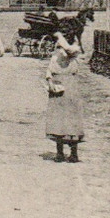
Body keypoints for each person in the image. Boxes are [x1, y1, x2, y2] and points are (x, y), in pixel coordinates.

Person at [45, 34, 85, 162]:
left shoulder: (74, 51)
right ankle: (60, 153)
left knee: (72, 119)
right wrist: (50, 82)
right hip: (58, 87)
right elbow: (49, 71)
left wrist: (62, 39)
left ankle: (74, 153)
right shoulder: (55, 55)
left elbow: (71, 51)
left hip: (71, 87)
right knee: (58, 120)